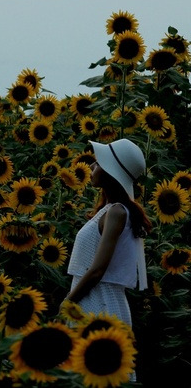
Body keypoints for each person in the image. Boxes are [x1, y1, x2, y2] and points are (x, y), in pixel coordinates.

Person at [64, 138, 152, 327]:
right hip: (93, 303)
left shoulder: (117, 212)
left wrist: (67, 304)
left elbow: (97, 271)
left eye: (100, 162)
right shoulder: (111, 209)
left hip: (101, 307)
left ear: (111, 173)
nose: (93, 165)